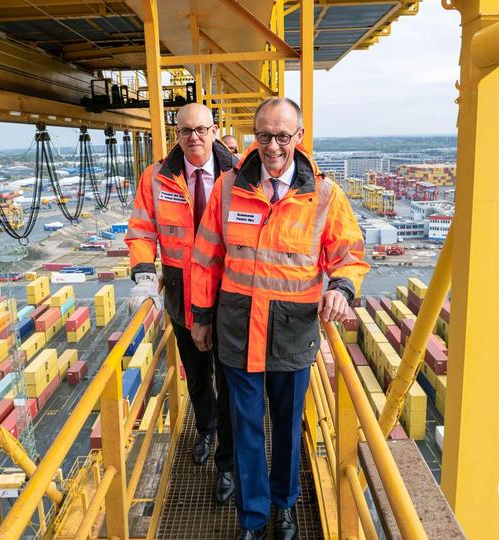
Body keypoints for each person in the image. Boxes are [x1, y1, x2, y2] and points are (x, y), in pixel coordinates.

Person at [189, 97, 368, 540]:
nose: (272, 147)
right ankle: (253, 519)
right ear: (254, 136)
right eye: (264, 136)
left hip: (291, 333)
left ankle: (284, 506)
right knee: (247, 430)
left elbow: (348, 253)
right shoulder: (228, 188)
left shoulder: (324, 195)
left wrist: (341, 288)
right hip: (237, 330)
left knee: (287, 430)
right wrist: (200, 316)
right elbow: (206, 257)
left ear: (299, 138)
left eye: (282, 137)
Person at [125, 103, 237, 504]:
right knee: (196, 374)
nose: (194, 137)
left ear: (214, 131)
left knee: (229, 383)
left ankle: (226, 463)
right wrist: (142, 271)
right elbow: (140, 228)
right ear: (177, 134)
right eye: (186, 130)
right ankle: (205, 428)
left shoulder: (239, 174)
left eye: (201, 129)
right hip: (182, 297)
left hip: (228, 301)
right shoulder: (155, 178)